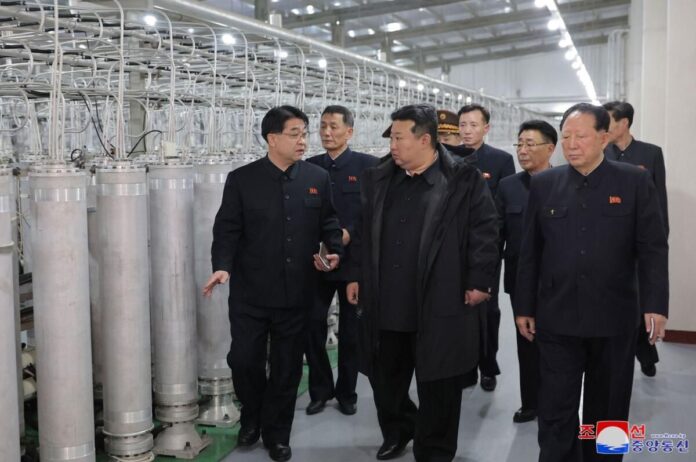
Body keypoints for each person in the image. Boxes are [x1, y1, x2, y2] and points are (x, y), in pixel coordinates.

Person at [515, 103, 669, 462]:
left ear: (604, 138)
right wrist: (524, 306)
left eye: (580, 136)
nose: (571, 144)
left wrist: (655, 305)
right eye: (566, 136)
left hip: (614, 317)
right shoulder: (544, 184)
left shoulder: (633, 181)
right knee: (556, 408)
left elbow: (652, 248)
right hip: (557, 317)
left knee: (609, 409)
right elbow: (530, 252)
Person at [347, 104, 499, 461]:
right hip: (386, 301)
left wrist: (479, 280)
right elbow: (362, 231)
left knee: (440, 384)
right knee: (385, 378)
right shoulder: (378, 177)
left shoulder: (462, 179)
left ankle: (435, 450)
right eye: (392, 138)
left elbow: (485, 231)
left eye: (399, 138)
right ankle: (399, 429)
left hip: (439, 297)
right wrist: (356, 274)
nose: (392, 145)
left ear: (425, 140)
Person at [204, 105, 344, 462]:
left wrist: (333, 251)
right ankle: (252, 414)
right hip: (250, 294)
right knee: (243, 361)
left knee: (287, 368)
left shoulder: (316, 177)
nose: (303, 141)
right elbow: (227, 230)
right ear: (272, 138)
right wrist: (222, 267)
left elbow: (329, 222)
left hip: (297, 293)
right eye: (295, 134)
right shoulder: (242, 179)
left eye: (304, 134)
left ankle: (277, 433)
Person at [304, 105, 379, 416]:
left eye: (333, 126)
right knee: (312, 326)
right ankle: (320, 390)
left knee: (351, 332)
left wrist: (349, 236)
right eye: (322, 126)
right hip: (318, 262)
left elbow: (372, 217)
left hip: (353, 264)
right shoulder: (309, 167)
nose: (326, 132)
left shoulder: (368, 167)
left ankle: (347, 392)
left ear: (349, 131)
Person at [496, 120, 556, 424]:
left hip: (559, 280)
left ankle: (557, 403)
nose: (522, 150)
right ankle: (531, 402)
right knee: (527, 341)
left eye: (530, 144)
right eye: (519, 144)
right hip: (521, 280)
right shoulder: (508, 186)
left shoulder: (565, 182)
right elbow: (495, 235)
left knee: (558, 343)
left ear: (550, 148)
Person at [603, 100, 669, 377]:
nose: (603, 127)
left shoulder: (650, 154)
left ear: (624, 123)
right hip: (608, 244)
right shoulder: (601, 153)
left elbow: (659, 201)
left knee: (640, 301)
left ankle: (645, 353)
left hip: (640, 242)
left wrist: (659, 239)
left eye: (608, 121)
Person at [457, 103, 516, 391]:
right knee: (460, 310)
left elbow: (504, 208)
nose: (467, 131)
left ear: (486, 128)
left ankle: (488, 366)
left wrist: (497, 247)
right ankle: (464, 366)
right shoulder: (448, 157)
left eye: (473, 125)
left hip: (486, 248)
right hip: (455, 248)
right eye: (463, 125)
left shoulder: (500, 160)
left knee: (488, 311)